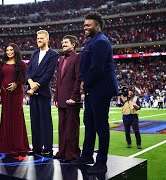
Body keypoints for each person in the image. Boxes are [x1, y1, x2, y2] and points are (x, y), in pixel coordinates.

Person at [71, 11, 119, 175]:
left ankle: (101, 163)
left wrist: (85, 83)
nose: (85, 27)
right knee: (90, 124)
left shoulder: (100, 42)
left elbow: (96, 68)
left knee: (101, 126)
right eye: (84, 24)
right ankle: (86, 156)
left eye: (88, 25)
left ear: (97, 25)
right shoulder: (94, 41)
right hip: (93, 89)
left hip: (100, 89)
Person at [26, 30, 59, 157]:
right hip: (32, 92)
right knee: (34, 121)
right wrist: (30, 82)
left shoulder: (53, 54)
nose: (39, 40)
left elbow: (48, 74)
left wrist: (34, 87)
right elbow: (28, 71)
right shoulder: (34, 53)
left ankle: (48, 148)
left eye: (41, 38)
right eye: (37, 38)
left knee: (45, 121)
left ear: (47, 39)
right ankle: (37, 147)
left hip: (43, 92)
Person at [0, 43, 30, 154]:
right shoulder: (2, 64)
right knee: (5, 118)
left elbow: (25, 78)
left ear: (15, 50)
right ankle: (5, 146)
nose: (9, 52)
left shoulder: (22, 64)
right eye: (7, 50)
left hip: (17, 94)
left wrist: (16, 84)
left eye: (11, 49)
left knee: (17, 118)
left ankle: (18, 146)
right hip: (5, 94)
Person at [53, 35, 82, 162]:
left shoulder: (78, 57)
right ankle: (62, 151)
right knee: (62, 127)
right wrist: (56, 96)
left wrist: (74, 97)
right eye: (62, 42)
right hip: (61, 98)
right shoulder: (61, 59)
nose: (63, 44)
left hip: (71, 99)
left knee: (72, 128)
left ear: (73, 44)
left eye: (66, 42)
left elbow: (78, 78)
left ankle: (72, 154)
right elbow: (58, 80)